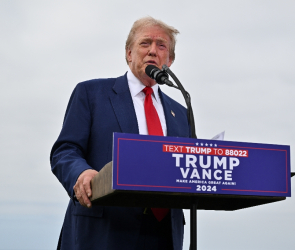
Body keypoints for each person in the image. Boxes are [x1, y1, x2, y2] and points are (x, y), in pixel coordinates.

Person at [50, 17, 190, 250]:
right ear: (129, 54)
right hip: (105, 229)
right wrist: (81, 173)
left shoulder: (182, 111)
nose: (153, 50)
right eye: (145, 43)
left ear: (170, 61)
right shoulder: (91, 93)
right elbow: (65, 151)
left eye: (161, 46)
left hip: (164, 232)